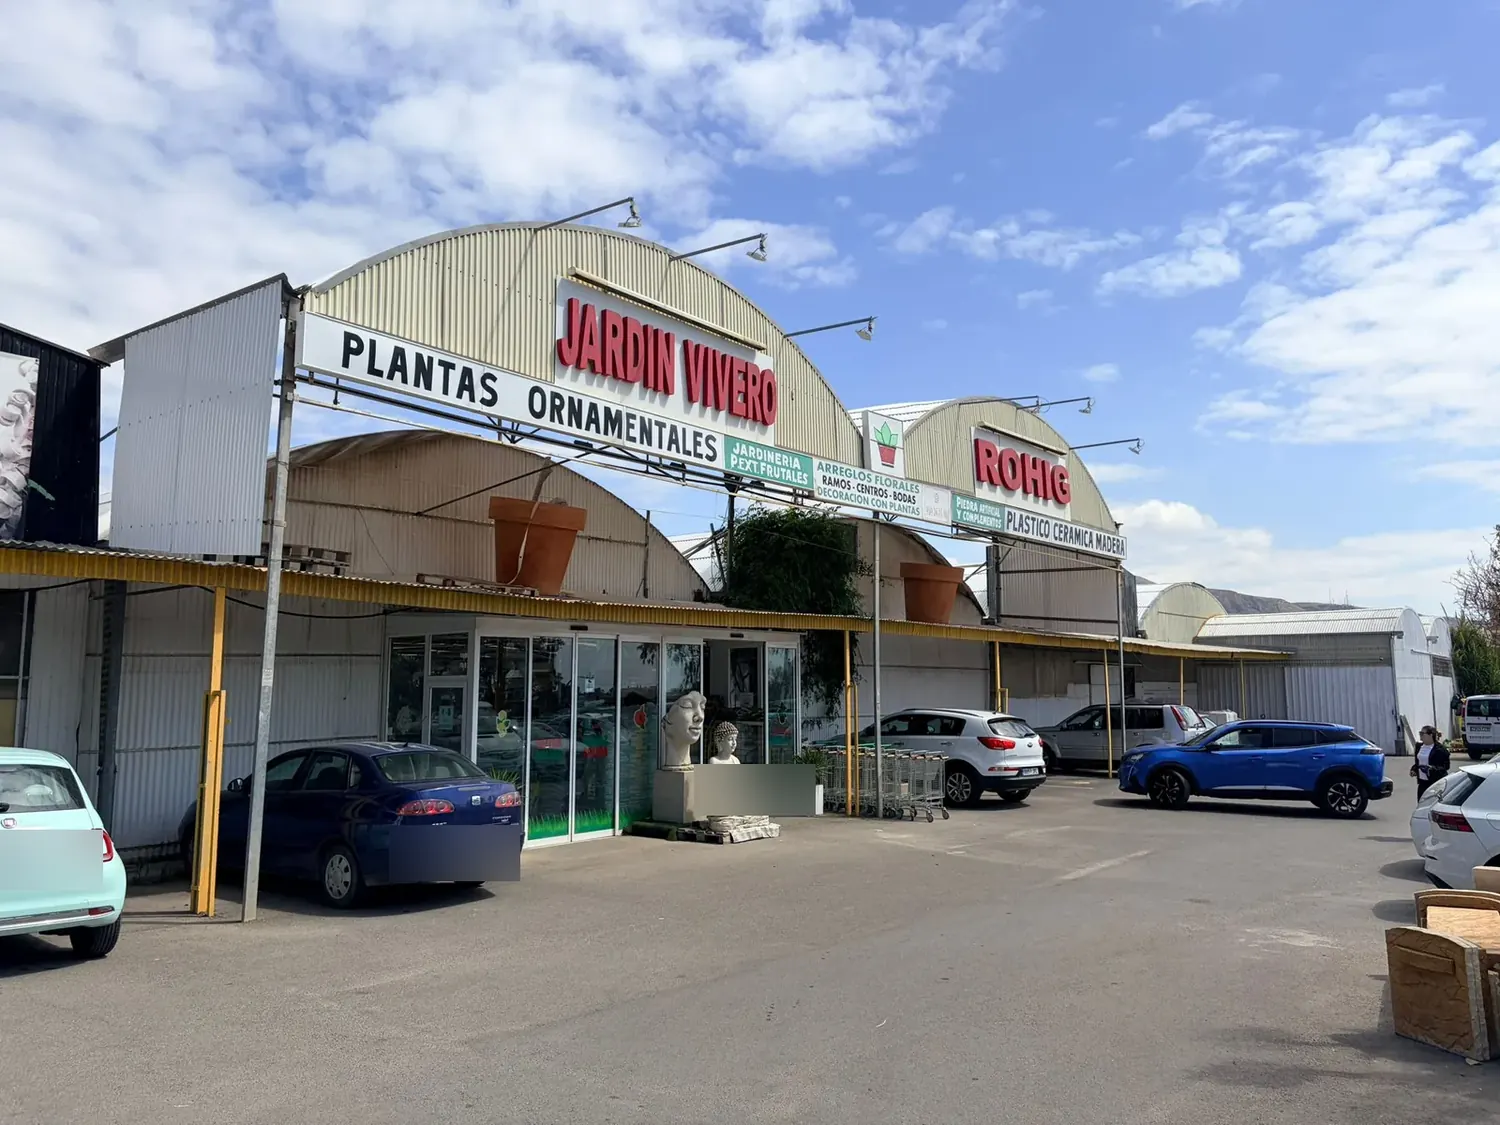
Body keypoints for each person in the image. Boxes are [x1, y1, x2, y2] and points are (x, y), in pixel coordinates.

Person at [1411, 725, 1450, 798]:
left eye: (1422, 734)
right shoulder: (1419, 746)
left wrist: (1432, 769)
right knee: (1421, 803)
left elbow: (1446, 767)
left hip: (1435, 782)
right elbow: (1419, 762)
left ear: (1430, 735)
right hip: (1422, 782)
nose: (1420, 736)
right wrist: (1414, 769)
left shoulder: (1440, 749)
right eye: (1420, 733)